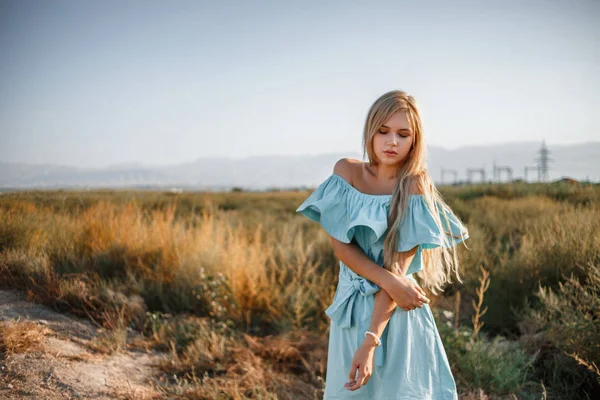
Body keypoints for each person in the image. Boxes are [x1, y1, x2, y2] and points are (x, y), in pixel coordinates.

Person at [296, 90, 469, 399]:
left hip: (394, 311)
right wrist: (390, 281)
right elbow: (343, 248)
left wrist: (371, 339)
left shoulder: (415, 183)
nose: (392, 142)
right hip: (352, 308)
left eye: (403, 134)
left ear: (415, 140)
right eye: (384, 131)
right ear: (370, 131)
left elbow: (399, 268)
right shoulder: (346, 172)